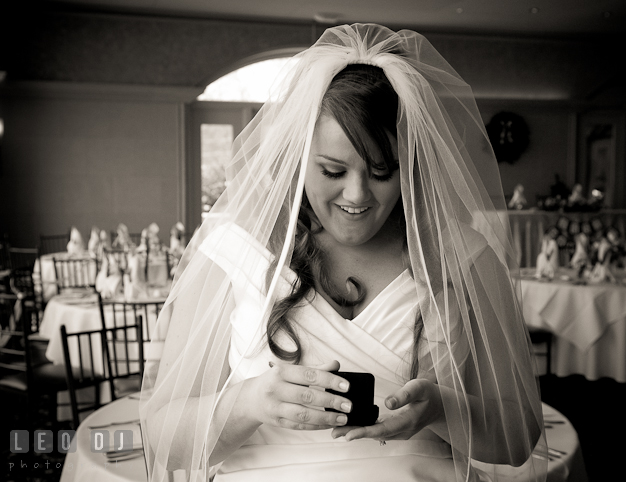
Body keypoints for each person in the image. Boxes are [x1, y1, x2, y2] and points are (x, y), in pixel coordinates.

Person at [140, 24, 547, 482]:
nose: (357, 195)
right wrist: (249, 403)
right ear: (297, 156)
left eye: (381, 171)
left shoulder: (467, 259)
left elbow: (519, 439)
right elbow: (161, 436)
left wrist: (442, 409)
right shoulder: (235, 252)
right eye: (333, 170)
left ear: (410, 164)